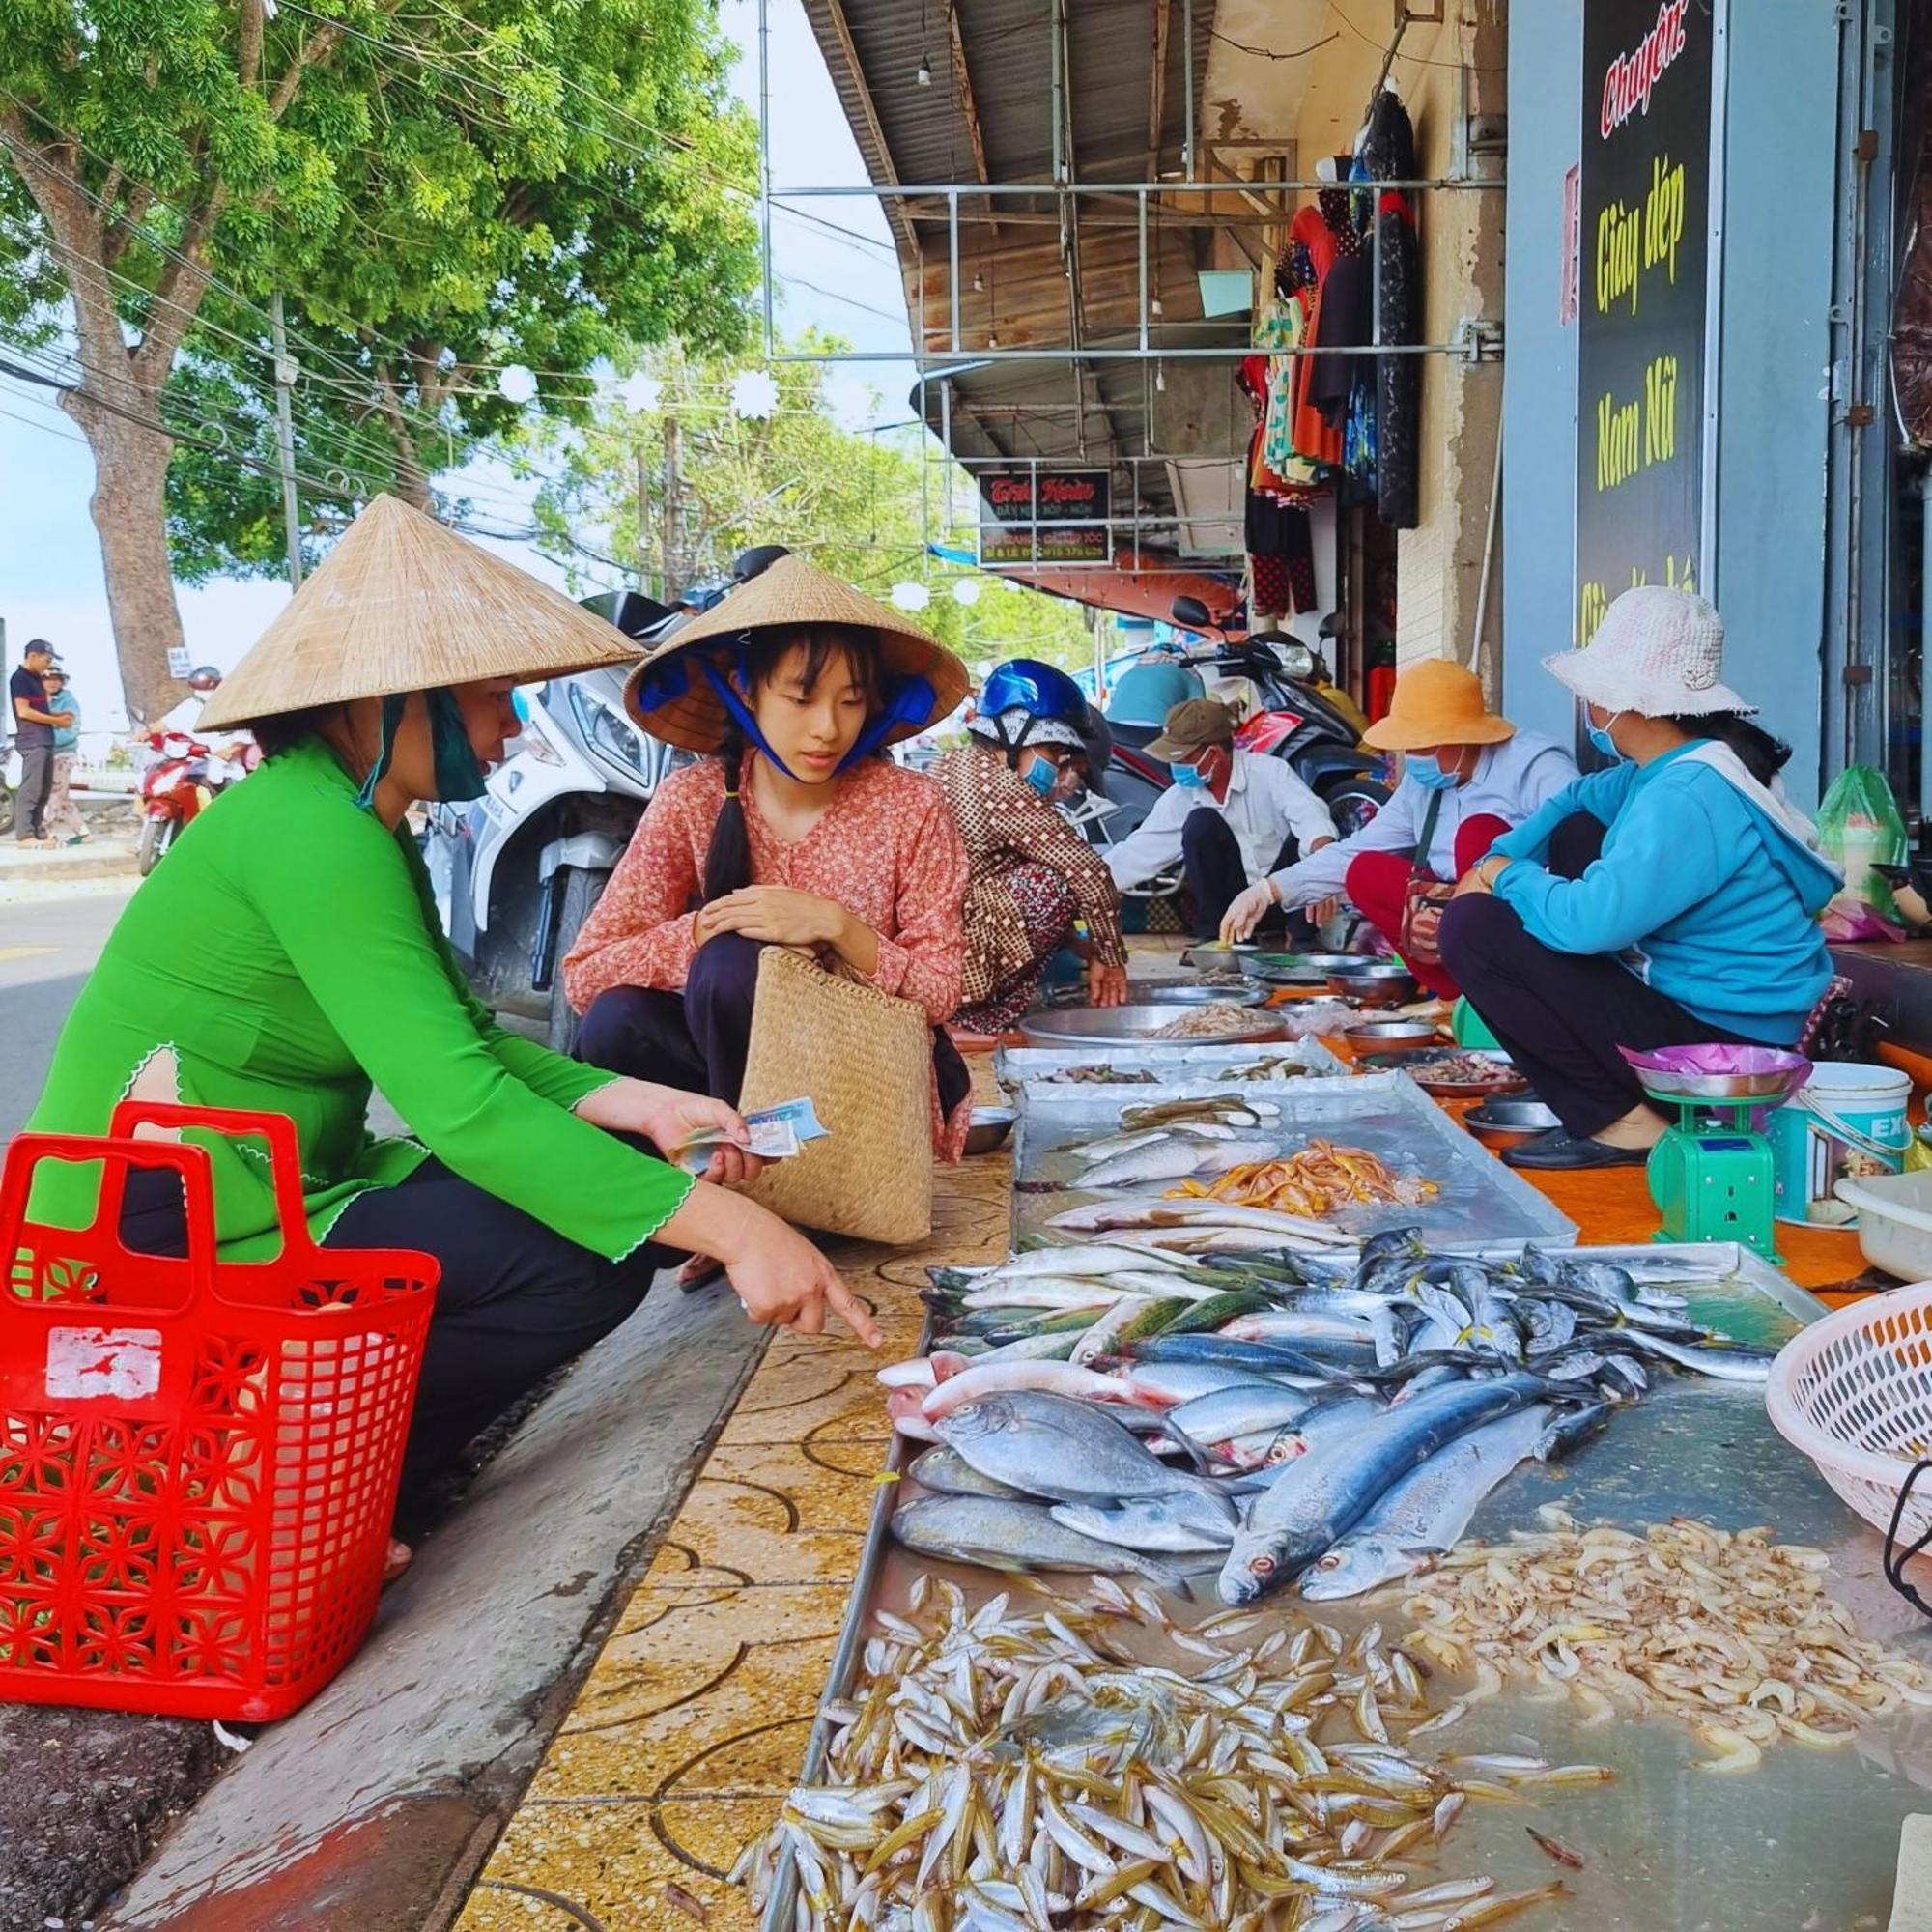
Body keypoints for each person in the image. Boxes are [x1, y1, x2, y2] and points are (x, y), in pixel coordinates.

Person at [25, 497, 881, 1568]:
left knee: (606, 1200)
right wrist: (740, 1229)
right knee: (584, 1254)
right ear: (398, 701)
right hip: (160, 1233)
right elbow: (461, 1103)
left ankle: (346, 1475)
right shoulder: (310, 831)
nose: (510, 727)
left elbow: (468, 1039)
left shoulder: (351, 821)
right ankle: (291, 1490)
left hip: (262, 1190)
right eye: (491, 699)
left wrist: (651, 1108)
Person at [564, 552, 976, 1167]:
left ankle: (778, 1190)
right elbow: (585, 977)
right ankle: (704, 1195)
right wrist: (704, 928)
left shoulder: (910, 803)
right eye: (802, 699)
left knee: (735, 966)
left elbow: (942, 991)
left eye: (850, 701)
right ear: (746, 691)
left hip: (861, 1084)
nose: (827, 730)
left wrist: (837, 928)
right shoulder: (692, 800)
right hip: (729, 1084)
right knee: (620, 1016)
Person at [1437, 585, 1839, 1171]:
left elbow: (1588, 924)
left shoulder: (1685, 795)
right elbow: (1575, 801)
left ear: (1619, 702)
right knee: (1578, 829)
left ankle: (1626, 1123)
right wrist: (1492, 859)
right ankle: (1607, 1096)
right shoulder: (1683, 768)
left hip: (1727, 1047)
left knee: (1472, 927)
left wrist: (1501, 876)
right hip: (1726, 1021)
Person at [1220, 661, 1577, 996]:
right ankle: (1453, 996)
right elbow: (1357, 850)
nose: (1414, 756)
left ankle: (1508, 990)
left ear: (1465, 736)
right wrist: (1270, 890)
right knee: (1365, 872)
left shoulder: (1535, 766)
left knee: (1478, 834)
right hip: (1448, 906)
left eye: (1424, 744)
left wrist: (1483, 887)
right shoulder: (1421, 784)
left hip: (1523, 909)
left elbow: (1577, 855)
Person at [934, 659, 1128, 1032]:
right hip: (958, 957)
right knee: (1053, 881)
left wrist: (1077, 943)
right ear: (1015, 732)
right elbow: (1090, 873)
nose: (1056, 766)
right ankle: (975, 1019)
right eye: (1053, 753)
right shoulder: (1002, 788)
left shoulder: (951, 765)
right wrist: (1111, 958)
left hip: (939, 942)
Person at [1102, 696, 1338, 940]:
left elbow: (1311, 816)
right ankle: (1216, 939)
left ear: (1213, 753)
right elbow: (1137, 852)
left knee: (1303, 842)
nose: (1176, 766)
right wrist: (1082, 886)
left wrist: (1324, 865)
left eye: (1182, 759)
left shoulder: (1269, 772)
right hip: (1232, 909)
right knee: (1200, 823)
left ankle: (1301, 940)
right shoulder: (1180, 798)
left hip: (1282, 899)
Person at [9, 638, 69, 847]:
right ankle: (24, 835)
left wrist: (58, 716)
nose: (48, 664)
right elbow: (24, 711)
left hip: (45, 740)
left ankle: (38, 832)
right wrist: (55, 720)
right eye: (46, 659)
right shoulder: (20, 678)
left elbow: (39, 711)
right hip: (32, 741)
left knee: (43, 789)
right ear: (32, 656)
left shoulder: (36, 680)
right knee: (31, 789)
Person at [39, 667, 88, 844]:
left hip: (63, 754)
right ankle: (83, 832)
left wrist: (45, 739)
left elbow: (71, 730)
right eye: (48, 678)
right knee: (61, 797)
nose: (52, 682)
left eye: (56, 678)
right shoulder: (39, 702)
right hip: (43, 755)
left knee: (54, 794)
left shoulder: (68, 701)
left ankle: (46, 831)